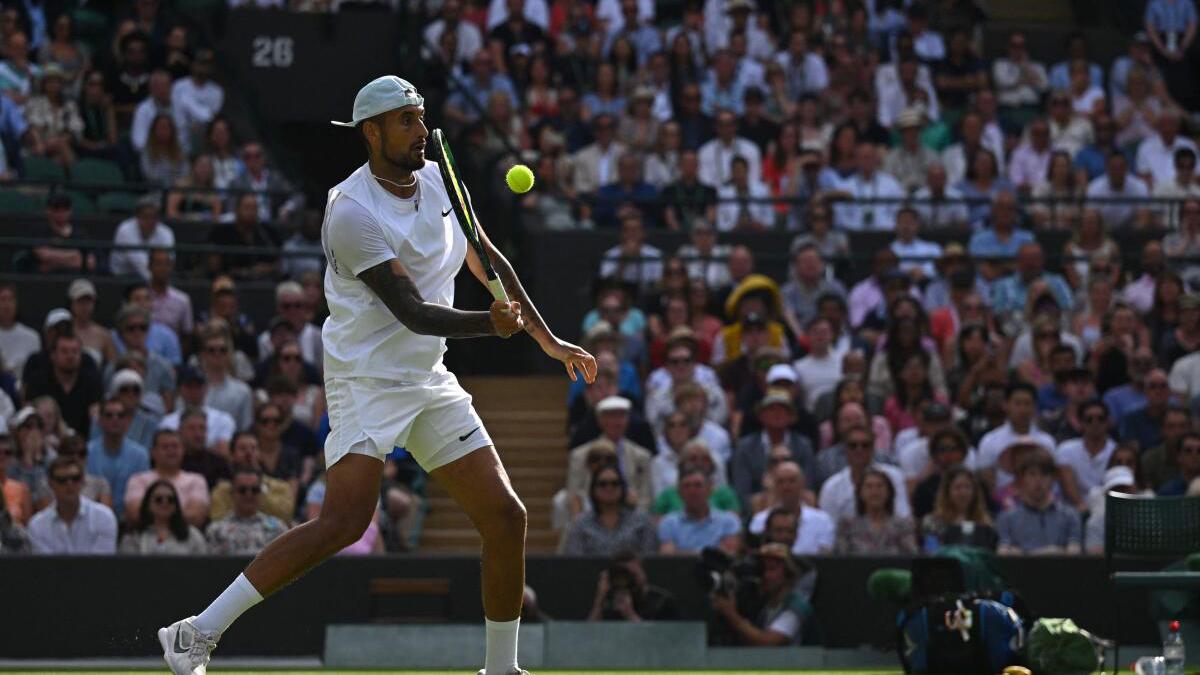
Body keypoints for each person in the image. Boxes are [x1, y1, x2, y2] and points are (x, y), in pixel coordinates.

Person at [160, 76, 596, 675]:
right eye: (406, 121)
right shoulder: (350, 211)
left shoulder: (443, 181)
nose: (421, 132)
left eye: (421, 118)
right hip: (365, 378)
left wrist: (546, 340)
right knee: (343, 523)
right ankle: (194, 633)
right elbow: (413, 312)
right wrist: (490, 326)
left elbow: (486, 256)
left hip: (429, 377)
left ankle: (500, 670)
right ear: (372, 132)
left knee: (505, 516)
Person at [710, 543, 812, 646]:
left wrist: (731, 615)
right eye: (762, 569)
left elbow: (769, 643)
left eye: (772, 569)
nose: (765, 575)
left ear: (788, 574)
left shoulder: (795, 607)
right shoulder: (766, 606)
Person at [996, 449, 1082, 555]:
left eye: (1044, 474)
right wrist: (1045, 553)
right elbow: (1003, 552)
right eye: (1032, 474)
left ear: (1053, 479)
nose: (1038, 480)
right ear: (1022, 479)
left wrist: (1024, 553)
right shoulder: (1007, 518)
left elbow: (1075, 551)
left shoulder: (1070, 515)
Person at [818, 425, 910, 521]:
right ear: (845, 449)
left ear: (873, 448)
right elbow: (828, 525)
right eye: (853, 445)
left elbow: (903, 516)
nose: (859, 450)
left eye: (865, 445)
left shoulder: (894, 476)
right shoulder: (831, 487)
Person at [27, 456, 117, 554]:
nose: (69, 484)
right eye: (62, 480)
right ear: (50, 484)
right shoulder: (37, 525)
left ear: (83, 481)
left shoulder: (104, 517)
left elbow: (102, 565)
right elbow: (45, 567)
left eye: (75, 478)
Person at [561, 464, 657, 556]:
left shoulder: (642, 521)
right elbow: (575, 564)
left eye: (615, 483)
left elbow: (650, 559)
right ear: (593, 489)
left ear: (623, 488)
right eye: (602, 484)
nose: (609, 488)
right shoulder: (581, 524)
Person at [125, 429, 210, 528]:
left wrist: (159, 517)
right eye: (165, 447)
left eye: (175, 446)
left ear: (183, 450)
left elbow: (196, 517)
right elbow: (135, 514)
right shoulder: (138, 480)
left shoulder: (196, 480)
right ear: (153, 452)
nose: (171, 451)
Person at [746, 461, 834, 555]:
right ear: (775, 485)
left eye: (792, 481)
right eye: (781, 482)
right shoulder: (759, 520)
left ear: (802, 483)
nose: (786, 487)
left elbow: (825, 556)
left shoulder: (822, 521)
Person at [205, 465, 288, 555]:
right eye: (242, 490)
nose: (249, 495)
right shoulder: (216, 530)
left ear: (260, 492)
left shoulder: (278, 529)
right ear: (232, 493)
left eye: (255, 490)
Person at [657, 466, 741, 555]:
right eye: (687, 486)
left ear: (710, 489)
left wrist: (683, 553)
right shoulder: (669, 523)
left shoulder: (728, 521)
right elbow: (668, 558)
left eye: (698, 485)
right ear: (679, 492)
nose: (692, 491)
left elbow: (728, 555)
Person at [834, 467, 918, 555]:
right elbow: (841, 559)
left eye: (880, 486)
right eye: (869, 487)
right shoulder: (847, 526)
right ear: (860, 493)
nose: (874, 492)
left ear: (889, 492)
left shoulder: (902, 525)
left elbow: (911, 557)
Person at [86, 395, 149, 512]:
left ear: (127, 421)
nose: (115, 419)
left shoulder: (140, 455)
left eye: (120, 415)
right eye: (109, 415)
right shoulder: (87, 452)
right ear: (100, 421)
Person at [920, 465, 997, 552]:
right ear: (947, 492)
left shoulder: (985, 521)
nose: (963, 492)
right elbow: (931, 551)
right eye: (957, 487)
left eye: (967, 487)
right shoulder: (932, 521)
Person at [587, 550, 680, 622]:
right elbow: (590, 634)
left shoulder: (662, 602)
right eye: (624, 576)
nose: (628, 580)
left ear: (643, 573)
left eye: (634, 575)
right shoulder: (607, 601)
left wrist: (630, 615)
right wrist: (600, 596)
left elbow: (665, 638)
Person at [120, 479, 208, 554]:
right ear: (148, 504)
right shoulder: (134, 536)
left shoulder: (192, 535)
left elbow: (203, 566)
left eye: (170, 499)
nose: (165, 502)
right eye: (159, 499)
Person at [110, 196, 176, 281]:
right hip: (122, 276)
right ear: (137, 217)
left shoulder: (166, 232)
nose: (150, 221)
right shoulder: (125, 229)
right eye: (146, 216)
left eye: (154, 217)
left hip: (156, 277)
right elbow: (139, 263)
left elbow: (170, 259)